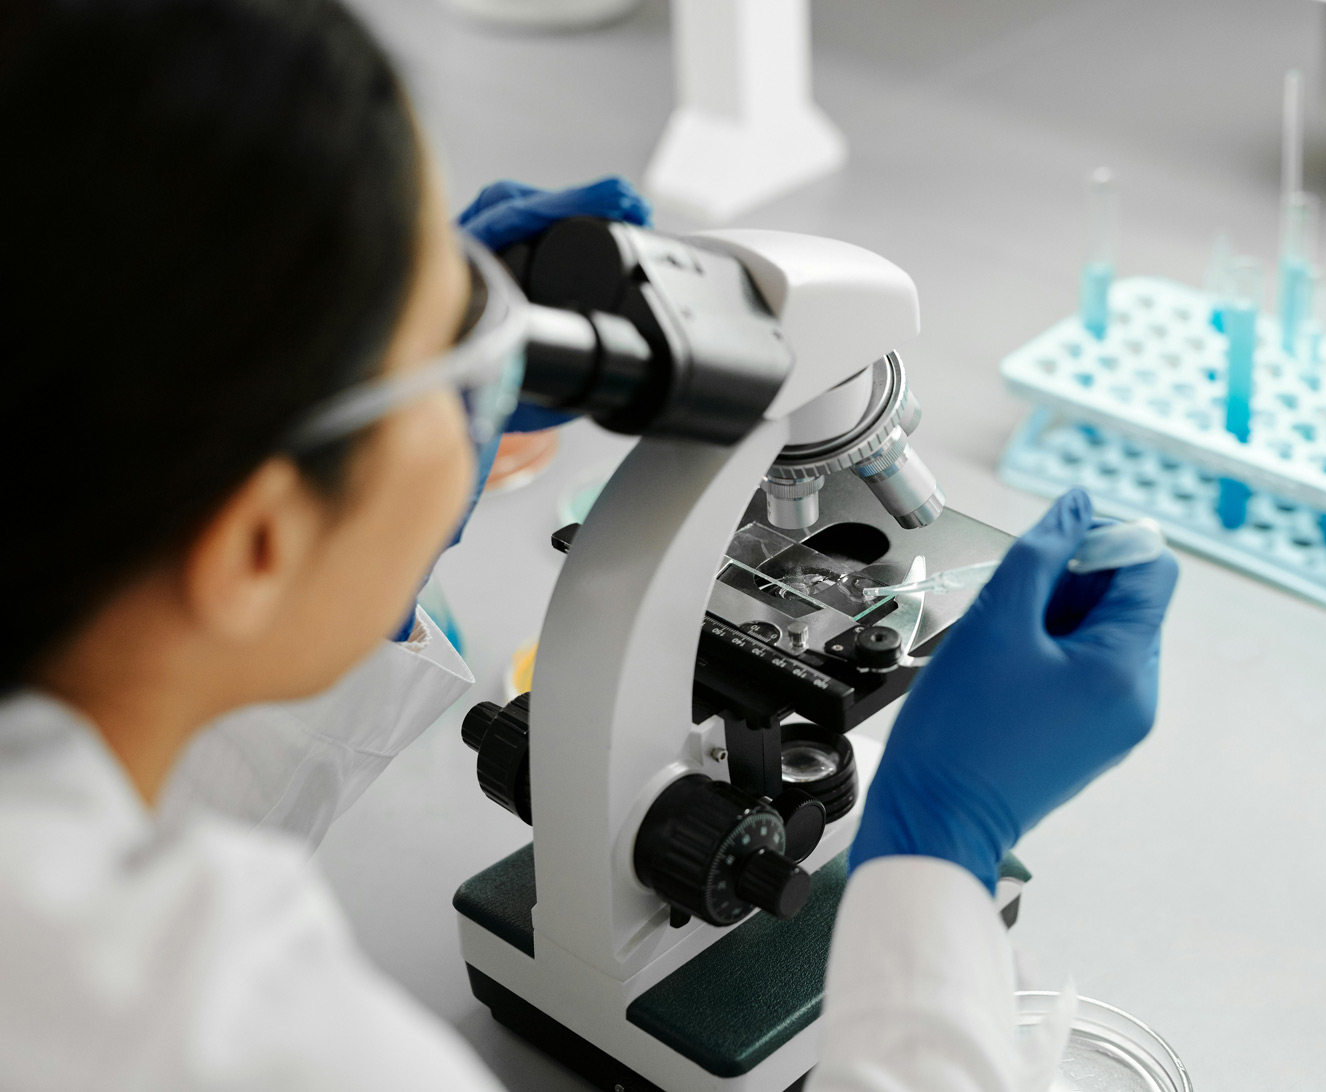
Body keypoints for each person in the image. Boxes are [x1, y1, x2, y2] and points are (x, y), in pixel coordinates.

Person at [0, 1, 1179, 1089]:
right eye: (452, 333)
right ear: (257, 542)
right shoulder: (268, 1044)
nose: (495, 365)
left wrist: (370, 536)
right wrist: (937, 851)